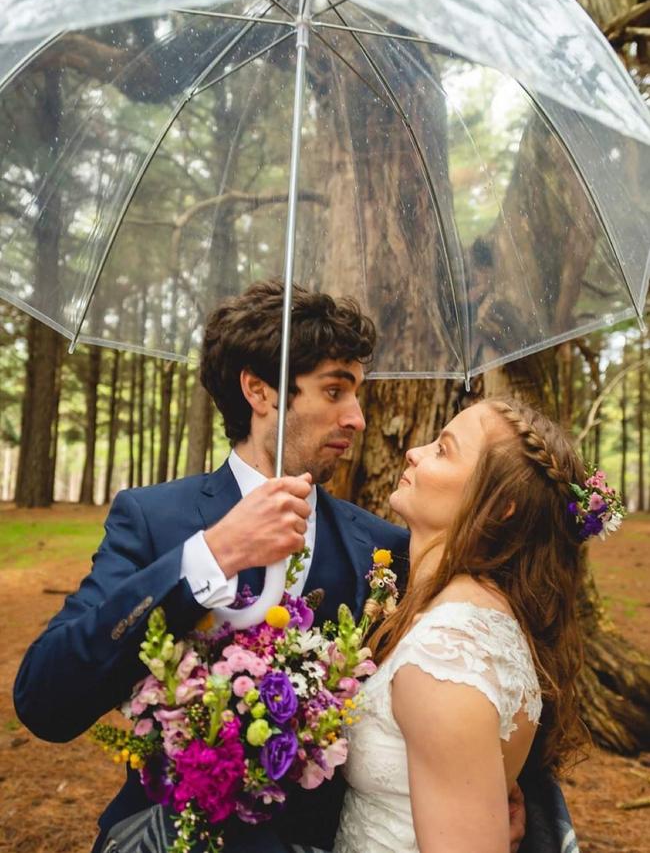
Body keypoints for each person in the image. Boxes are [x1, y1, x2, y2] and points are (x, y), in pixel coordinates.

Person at [13, 280, 527, 853]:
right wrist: (212, 556)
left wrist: (500, 790)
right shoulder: (153, 520)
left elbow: (475, 677)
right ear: (260, 390)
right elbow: (45, 702)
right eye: (335, 391)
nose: (357, 418)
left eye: (357, 393)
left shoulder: (386, 550)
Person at [329, 398, 594, 853]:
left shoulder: (447, 656)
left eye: (443, 449)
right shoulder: (462, 618)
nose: (415, 451)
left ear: (501, 507)